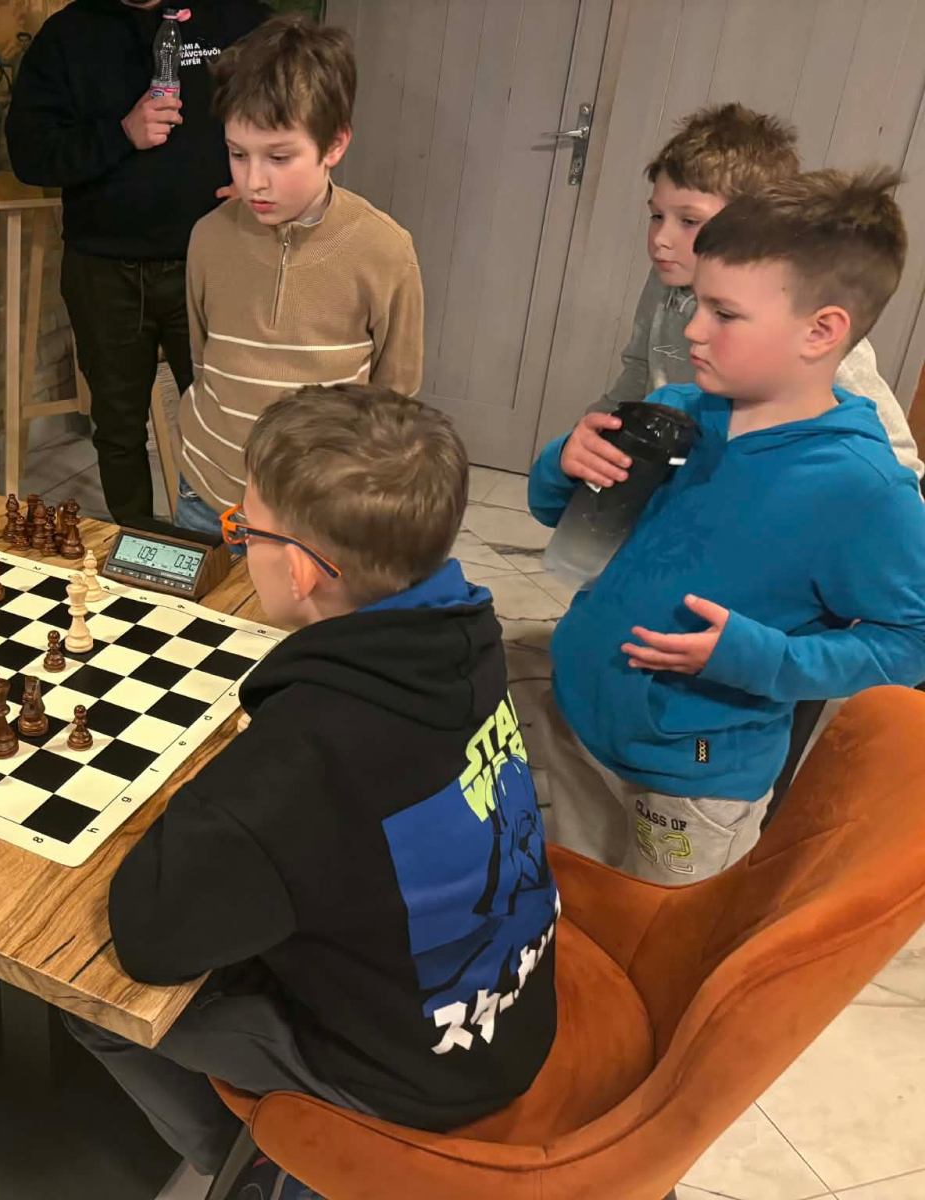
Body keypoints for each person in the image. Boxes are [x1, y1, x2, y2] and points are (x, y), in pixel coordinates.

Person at [65, 385, 559, 1195]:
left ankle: (259, 1155)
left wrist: (223, 791)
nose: (239, 542)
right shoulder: (468, 638)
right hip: (513, 1016)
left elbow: (149, 939)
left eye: (244, 529)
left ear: (297, 570)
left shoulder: (302, 760)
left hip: (412, 1078)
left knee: (90, 1001)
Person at [525, 169, 925, 885]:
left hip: (696, 775)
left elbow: (909, 643)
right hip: (580, 723)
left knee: (665, 932)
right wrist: (565, 464)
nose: (692, 330)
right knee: (580, 896)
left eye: (724, 313)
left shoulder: (863, 489)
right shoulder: (679, 410)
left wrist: (763, 657)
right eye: (695, 303)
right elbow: (563, 517)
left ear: (822, 331)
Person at [5, 0, 270, 526]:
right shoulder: (68, 35)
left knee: (227, 420)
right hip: (103, 269)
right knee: (118, 427)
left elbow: (297, 113)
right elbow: (29, 156)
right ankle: (137, 544)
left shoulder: (239, 19)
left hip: (211, 260)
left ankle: (229, 547)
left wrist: (260, 178)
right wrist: (121, 133)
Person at [174, 15, 424, 538]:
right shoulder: (207, 236)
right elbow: (202, 357)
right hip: (208, 494)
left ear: (334, 144)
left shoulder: (384, 249)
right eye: (237, 154)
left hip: (315, 511)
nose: (254, 180)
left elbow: (394, 396)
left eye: (279, 156)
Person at [586, 102, 920, 477]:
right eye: (657, 215)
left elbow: (899, 458)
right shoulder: (665, 278)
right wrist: (595, 431)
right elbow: (639, 369)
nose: (661, 238)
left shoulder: (803, 322)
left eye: (689, 220)